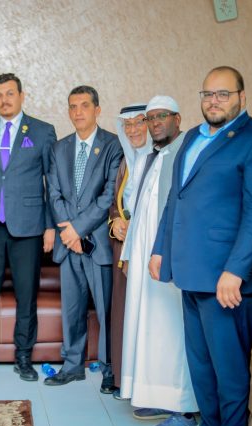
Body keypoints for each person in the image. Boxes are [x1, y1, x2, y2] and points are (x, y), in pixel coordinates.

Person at [150, 67, 252, 426]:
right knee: (202, 366)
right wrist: (160, 249)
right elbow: (176, 199)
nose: (214, 101)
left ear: (242, 96)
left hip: (228, 281)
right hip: (191, 273)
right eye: (208, 94)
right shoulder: (192, 136)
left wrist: (236, 271)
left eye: (223, 94)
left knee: (229, 370)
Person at [0, 73, 56, 382]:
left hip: (28, 227)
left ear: (22, 96)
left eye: (9, 94)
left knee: (26, 294)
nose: (4, 100)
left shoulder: (42, 131)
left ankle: (24, 357)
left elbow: (52, 183)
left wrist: (50, 227)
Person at [119, 95, 198, 426]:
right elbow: (140, 213)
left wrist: (166, 253)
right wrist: (129, 254)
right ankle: (160, 397)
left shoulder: (185, 153)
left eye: (161, 116)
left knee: (173, 332)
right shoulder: (152, 157)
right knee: (152, 330)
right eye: (150, 118)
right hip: (145, 261)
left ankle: (185, 410)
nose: (154, 123)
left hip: (170, 260)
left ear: (177, 119)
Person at [45, 86, 122, 393]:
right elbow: (54, 193)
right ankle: (72, 366)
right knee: (72, 309)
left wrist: (77, 229)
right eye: (73, 106)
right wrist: (70, 233)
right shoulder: (59, 148)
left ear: (97, 110)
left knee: (105, 311)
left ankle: (110, 369)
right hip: (69, 243)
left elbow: (108, 196)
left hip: (97, 242)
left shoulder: (113, 145)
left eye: (84, 106)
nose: (78, 112)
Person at [108, 103, 153, 396]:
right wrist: (115, 222)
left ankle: (149, 384)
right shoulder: (126, 162)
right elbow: (116, 204)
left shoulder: (158, 160)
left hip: (149, 250)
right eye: (128, 125)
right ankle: (124, 380)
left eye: (139, 123)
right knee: (125, 312)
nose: (134, 130)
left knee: (148, 315)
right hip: (124, 249)